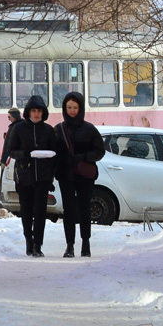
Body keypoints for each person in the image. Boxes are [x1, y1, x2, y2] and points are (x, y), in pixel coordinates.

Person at [7, 94, 58, 257]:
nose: (36, 114)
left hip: (43, 177)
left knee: (41, 212)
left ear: (43, 113)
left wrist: (51, 175)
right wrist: (26, 153)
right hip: (25, 176)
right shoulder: (19, 128)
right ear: (28, 112)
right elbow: (11, 151)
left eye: (39, 111)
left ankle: (38, 244)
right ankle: (29, 240)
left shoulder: (49, 130)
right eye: (33, 111)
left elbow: (54, 153)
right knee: (27, 211)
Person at [55, 92, 105, 257]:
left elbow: (100, 151)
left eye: (75, 107)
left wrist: (84, 157)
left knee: (84, 208)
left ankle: (86, 243)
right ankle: (69, 245)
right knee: (68, 210)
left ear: (81, 108)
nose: (72, 111)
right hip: (65, 175)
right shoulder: (59, 130)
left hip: (84, 175)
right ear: (64, 108)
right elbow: (53, 152)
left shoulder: (89, 129)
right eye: (69, 107)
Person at [0, 107, 23, 198]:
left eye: (9, 117)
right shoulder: (18, 126)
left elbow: (8, 145)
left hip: (11, 159)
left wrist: (4, 160)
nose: (8, 119)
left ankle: (2, 199)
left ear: (14, 117)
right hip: (11, 158)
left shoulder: (14, 127)